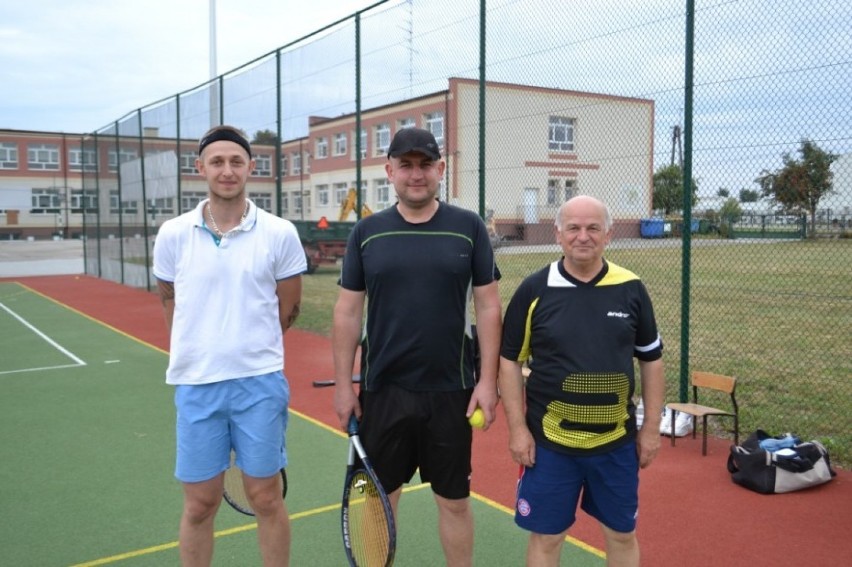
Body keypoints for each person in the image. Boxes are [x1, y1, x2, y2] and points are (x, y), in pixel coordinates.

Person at [331, 127, 502, 566]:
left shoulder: (468, 229)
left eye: (425, 164)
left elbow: (487, 307)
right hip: (384, 391)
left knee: (455, 503)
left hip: (451, 391)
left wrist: (488, 382)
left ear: (440, 169)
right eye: (405, 165)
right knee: (380, 501)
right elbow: (348, 313)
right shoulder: (367, 232)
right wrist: (343, 386)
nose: (416, 174)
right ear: (389, 171)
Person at [152, 125, 306, 567]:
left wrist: (247, 344)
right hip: (197, 385)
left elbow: (288, 308)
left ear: (250, 169)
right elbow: (169, 298)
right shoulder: (173, 234)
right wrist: (198, 346)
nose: (226, 170)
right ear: (200, 168)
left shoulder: (279, 232)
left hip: (259, 383)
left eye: (236, 161)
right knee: (200, 504)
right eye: (217, 162)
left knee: (266, 498)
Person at [498, 195, 665, 567]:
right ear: (558, 233)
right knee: (547, 537)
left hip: (616, 444)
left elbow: (651, 361)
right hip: (550, 445)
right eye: (573, 227)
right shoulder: (534, 290)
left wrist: (651, 428)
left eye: (593, 228)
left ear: (608, 235)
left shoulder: (632, 288)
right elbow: (510, 362)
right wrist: (517, 429)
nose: (583, 236)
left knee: (622, 534)